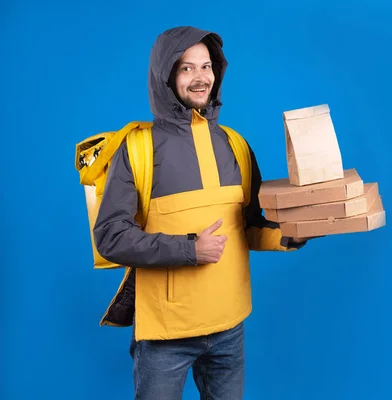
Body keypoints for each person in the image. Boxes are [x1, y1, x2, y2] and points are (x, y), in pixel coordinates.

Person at [93, 26, 307, 400]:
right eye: (186, 68)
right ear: (166, 76)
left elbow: (250, 226)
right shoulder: (137, 149)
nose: (200, 78)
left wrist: (294, 235)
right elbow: (110, 236)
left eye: (206, 67)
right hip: (165, 335)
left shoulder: (235, 144)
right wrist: (190, 249)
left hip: (229, 328)